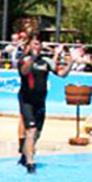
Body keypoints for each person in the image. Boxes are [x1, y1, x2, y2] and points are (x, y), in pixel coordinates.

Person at [15, 38, 70, 174]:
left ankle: (25, 152)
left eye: (39, 44)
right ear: (28, 46)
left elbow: (62, 74)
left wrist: (70, 63)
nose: (37, 46)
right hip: (27, 100)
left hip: (40, 101)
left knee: (37, 133)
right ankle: (30, 163)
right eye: (34, 44)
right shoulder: (24, 60)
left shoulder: (46, 62)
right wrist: (32, 57)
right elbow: (24, 72)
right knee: (31, 130)